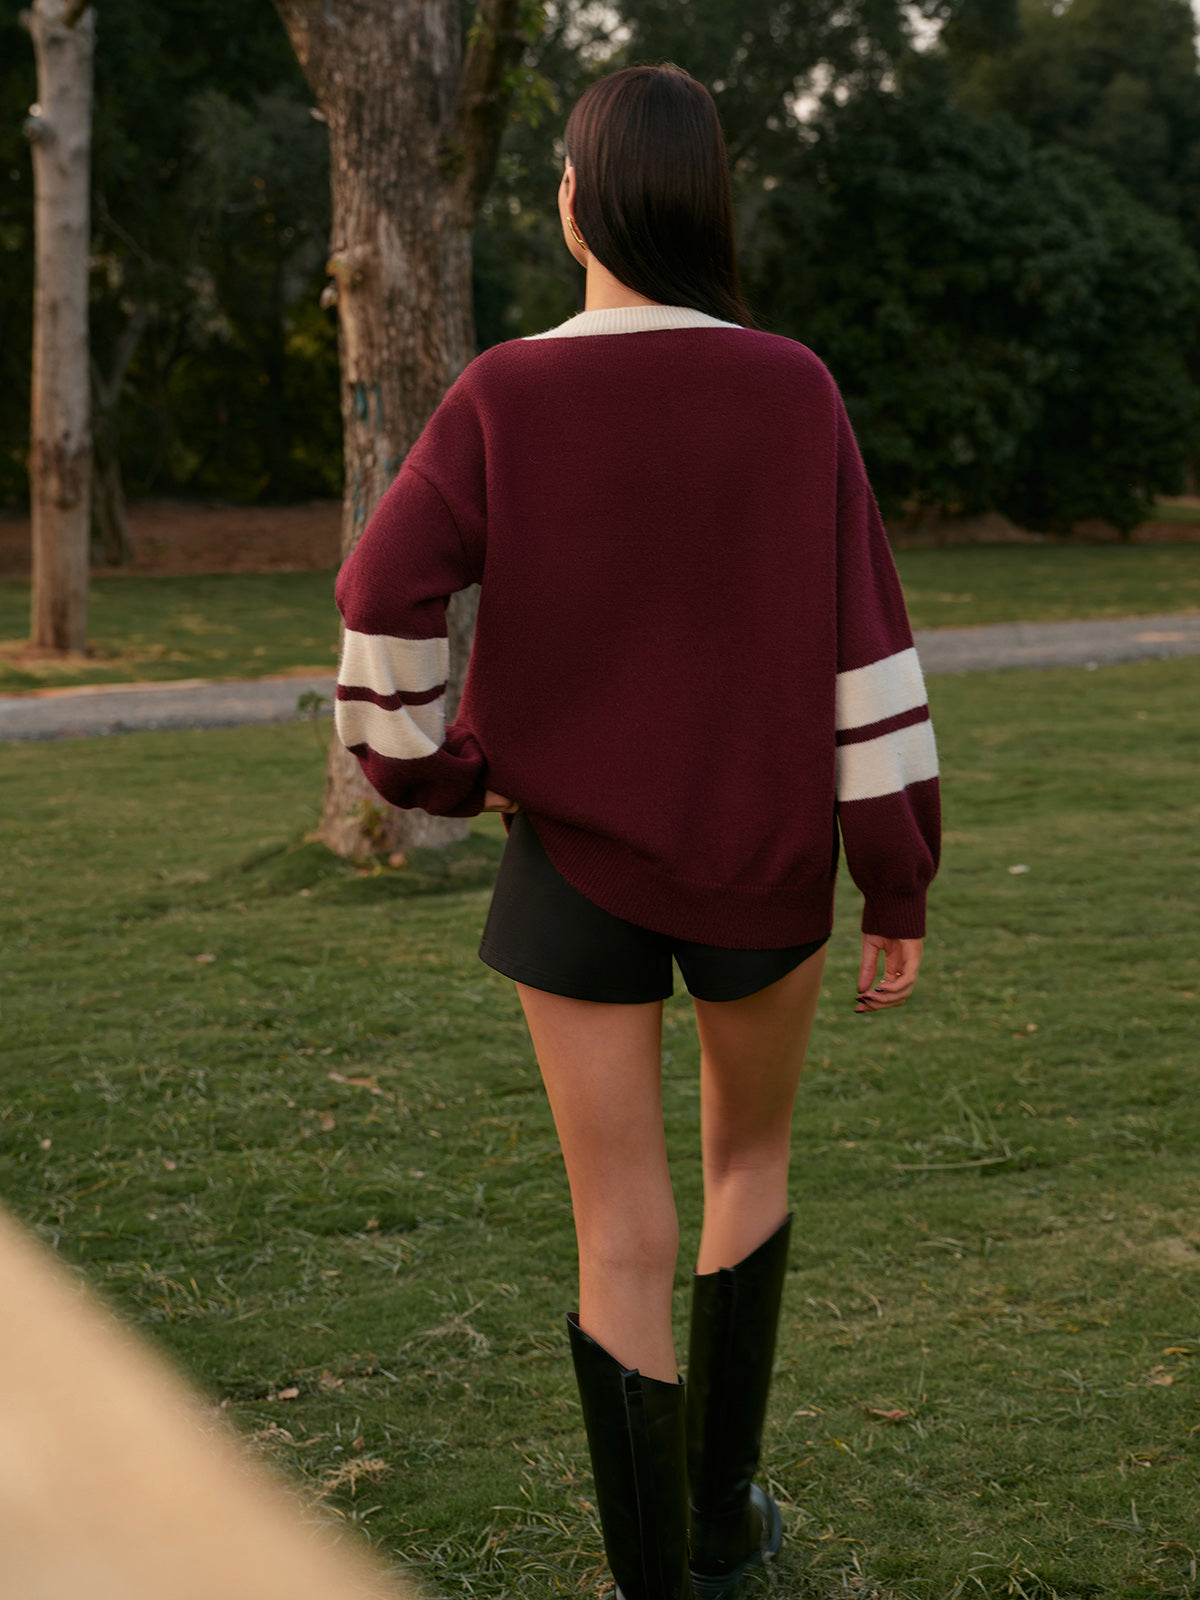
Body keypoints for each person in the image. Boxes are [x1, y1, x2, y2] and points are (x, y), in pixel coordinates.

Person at [332, 61, 940, 1600]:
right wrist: (896, 878)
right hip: (766, 860)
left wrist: (434, 774)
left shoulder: (503, 393)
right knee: (749, 1165)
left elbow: (381, 592)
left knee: (618, 1234)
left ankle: (653, 1583)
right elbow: (868, 647)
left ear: (575, 201)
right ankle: (724, 1524)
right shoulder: (793, 389)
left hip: (571, 869)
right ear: (707, 203)